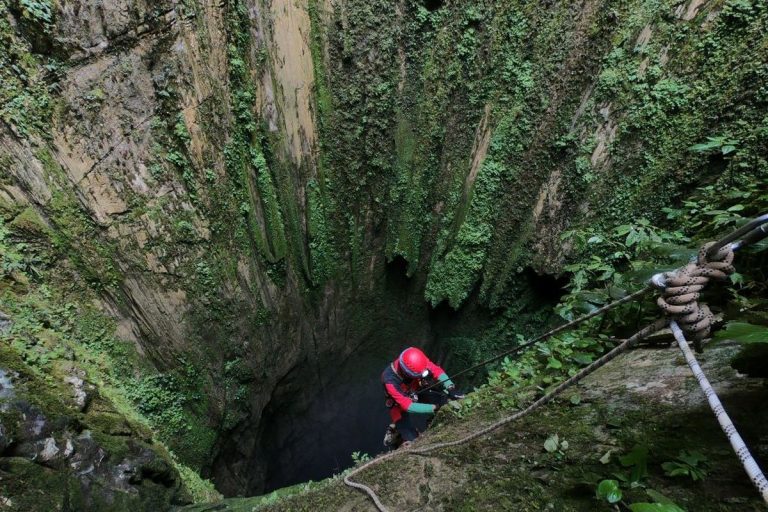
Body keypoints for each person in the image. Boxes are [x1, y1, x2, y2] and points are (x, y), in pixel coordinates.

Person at [381, 346, 463, 448]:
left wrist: (450, 387)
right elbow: (408, 406)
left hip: (417, 390)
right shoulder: (389, 380)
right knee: (412, 439)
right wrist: (435, 408)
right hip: (399, 404)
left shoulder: (416, 359)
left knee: (443, 399)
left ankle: (435, 420)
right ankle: (397, 431)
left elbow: (435, 370)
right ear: (407, 373)